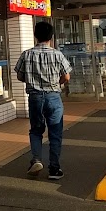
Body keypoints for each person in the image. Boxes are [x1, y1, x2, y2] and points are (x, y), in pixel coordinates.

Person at [14, 21, 72, 180]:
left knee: (36, 130)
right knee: (55, 133)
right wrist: (57, 82)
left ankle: (36, 160)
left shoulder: (27, 54)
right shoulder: (57, 54)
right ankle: (54, 168)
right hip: (53, 97)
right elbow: (66, 76)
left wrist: (31, 79)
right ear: (51, 37)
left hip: (35, 98)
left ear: (35, 36)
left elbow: (19, 75)